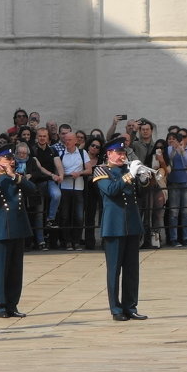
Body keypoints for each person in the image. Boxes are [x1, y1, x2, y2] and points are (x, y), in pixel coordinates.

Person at [94, 138, 151, 321]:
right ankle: (116, 309)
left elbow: (141, 194)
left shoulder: (128, 170)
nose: (122, 156)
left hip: (132, 224)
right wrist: (130, 176)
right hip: (114, 226)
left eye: (123, 153)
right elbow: (111, 190)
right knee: (114, 270)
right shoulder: (101, 170)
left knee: (132, 269)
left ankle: (130, 307)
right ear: (109, 154)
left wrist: (144, 179)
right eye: (118, 153)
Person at [0, 147, 35, 318]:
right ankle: (2, 306)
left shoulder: (17, 178)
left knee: (15, 270)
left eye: (12, 158)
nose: (11, 161)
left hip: (18, 227)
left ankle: (13, 305)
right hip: (1, 228)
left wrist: (14, 176)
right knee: (1, 270)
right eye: (6, 159)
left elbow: (33, 190)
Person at [56, 128, 88, 251]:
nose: (67, 142)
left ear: (75, 141)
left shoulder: (82, 153)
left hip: (78, 187)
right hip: (65, 187)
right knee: (65, 215)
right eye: (66, 139)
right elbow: (58, 169)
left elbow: (89, 169)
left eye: (70, 140)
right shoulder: (61, 154)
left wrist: (79, 173)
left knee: (79, 216)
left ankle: (76, 241)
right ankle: (67, 241)